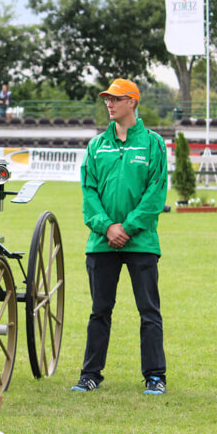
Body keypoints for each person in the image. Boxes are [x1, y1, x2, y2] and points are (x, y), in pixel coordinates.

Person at [72, 78, 168, 395]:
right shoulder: (97, 145)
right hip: (102, 242)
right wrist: (107, 226)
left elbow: (156, 193)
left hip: (141, 242)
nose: (109, 104)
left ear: (132, 102)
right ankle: (90, 375)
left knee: (149, 312)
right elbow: (88, 192)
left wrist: (127, 227)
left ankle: (155, 376)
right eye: (107, 99)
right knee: (99, 311)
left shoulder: (153, 143)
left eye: (116, 98)